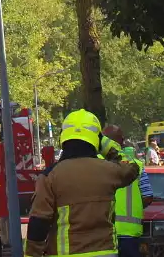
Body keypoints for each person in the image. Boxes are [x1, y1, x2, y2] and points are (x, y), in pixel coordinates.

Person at [26, 110, 140, 257]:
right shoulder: (110, 170)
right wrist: (107, 145)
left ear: (63, 137)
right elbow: (132, 167)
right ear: (97, 139)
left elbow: (38, 222)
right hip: (106, 252)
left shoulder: (50, 175)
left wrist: (31, 254)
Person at [103, 127, 154, 257]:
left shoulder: (95, 164)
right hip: (129, 234)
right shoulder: (136, 165)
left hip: (103, 233)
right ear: (121, 141)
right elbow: (148, 197)